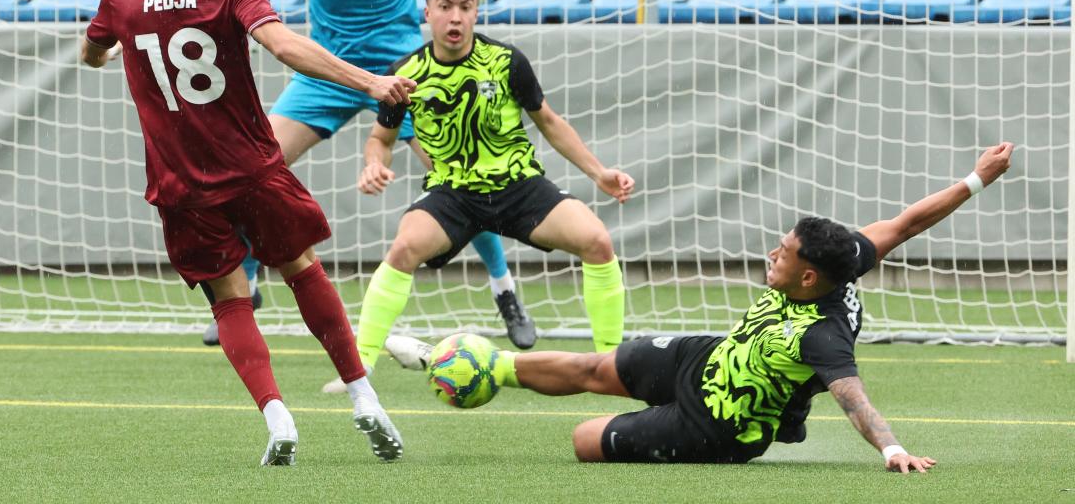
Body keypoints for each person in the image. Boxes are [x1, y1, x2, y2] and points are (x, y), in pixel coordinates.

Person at [393, 142, 1015, 470]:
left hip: (718, 425)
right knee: (595, 367)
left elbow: (854, 397)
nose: (774, 251)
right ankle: (484, 366)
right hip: (710, 357)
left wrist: (891, 449)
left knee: (584, 442)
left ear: (807, 279)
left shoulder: (823, 336)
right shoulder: (844, 256)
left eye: (784, 252)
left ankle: (634, 418)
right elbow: (905, 225)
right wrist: (977, 178)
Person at [81, 0, 414, 465]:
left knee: (230, 301)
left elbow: (91, 51)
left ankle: (277, 415)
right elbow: (284, 47)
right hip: (251, 168)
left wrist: (107, 55)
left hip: (180, 183)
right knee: (302, 272)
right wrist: (370, 82)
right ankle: (364, 398)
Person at [205, 0, 536, 353]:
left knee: (462, 176)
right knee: (252, 166)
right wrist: (245, 23)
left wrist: (459, 3)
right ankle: (247, 284)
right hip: (327, 72)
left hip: (403, 71)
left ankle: (506, 294)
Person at [347, 0, 634, 377]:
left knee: (597, 241)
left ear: (477, 12)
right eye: (445, 7)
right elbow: (381, 139)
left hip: (517, 185)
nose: (456, 18)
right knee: (404, 248)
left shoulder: (506, 61)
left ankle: (612, 365)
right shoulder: (405, 74)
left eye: (466, 7)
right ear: (427, 13)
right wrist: (374, 164)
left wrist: (599, 173)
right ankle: (359, 368)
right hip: (454, 192)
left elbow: (549, 122)